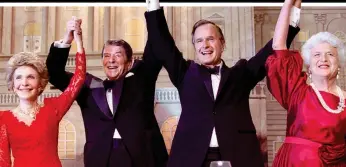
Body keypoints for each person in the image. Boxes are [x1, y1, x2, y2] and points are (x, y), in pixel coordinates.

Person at [144, 0, 301, 166]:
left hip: (238, 156)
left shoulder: (241, 74)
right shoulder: (184, 73)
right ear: (194, 46)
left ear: (222, 43)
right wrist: (153, 4)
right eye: (199, 41)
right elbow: (162, 43)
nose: (205, 45)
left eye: (210, 39)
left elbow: (271, 50)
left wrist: (293, 15)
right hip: (191, 158)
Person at [46, 17, 168, 167]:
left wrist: (153, 9)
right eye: (107, 55)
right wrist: (67, 39)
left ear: (129, 63)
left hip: (142, 159)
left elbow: (155, 47)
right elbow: (53, 73)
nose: (111, 60)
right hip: (100, 160)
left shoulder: (141, 81)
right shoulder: (87, 86)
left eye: (118, 55)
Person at [267, 0, 346, 166]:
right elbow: (279, 45)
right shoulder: (297, 90)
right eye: (317, 55)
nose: (323, 59)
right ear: (309, 64)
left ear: (339, 63)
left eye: (330, 55)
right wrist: (290, 3)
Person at [0, 24, 86, 167]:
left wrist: (78, 42)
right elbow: (3, 162)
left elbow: (79, 79)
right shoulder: (3, 118)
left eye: (31, 77)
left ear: (40, 84)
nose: (24, 83)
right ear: (13, 86)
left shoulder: (53, 107)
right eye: (19, 78)